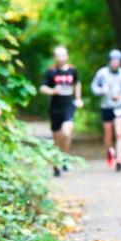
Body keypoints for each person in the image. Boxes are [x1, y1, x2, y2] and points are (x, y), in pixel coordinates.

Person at [39, 45, 83, 177]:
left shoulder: (72, 70)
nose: (61, 58)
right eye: (58, 55)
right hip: (55, 108)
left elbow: (77, 83)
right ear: (54, 57)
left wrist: (78, 98)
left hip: (68, 106)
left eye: (63, 55)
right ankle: (56, 163)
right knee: (57, 138)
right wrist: (53, 91)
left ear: (67, 56)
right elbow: (42, 88)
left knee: (67, 132)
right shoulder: (50, 71)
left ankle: (65, 157)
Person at [91, 49, 121, 171]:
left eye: (118, 61)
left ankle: (119, 159)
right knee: (108, 134)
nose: (115, 63)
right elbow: (94, 87)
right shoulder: (102, 73)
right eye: (113, 61)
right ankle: (110, 152)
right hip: (106, 106)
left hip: (120, 107)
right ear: (109, 61)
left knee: (119, 133)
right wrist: (102, 90)